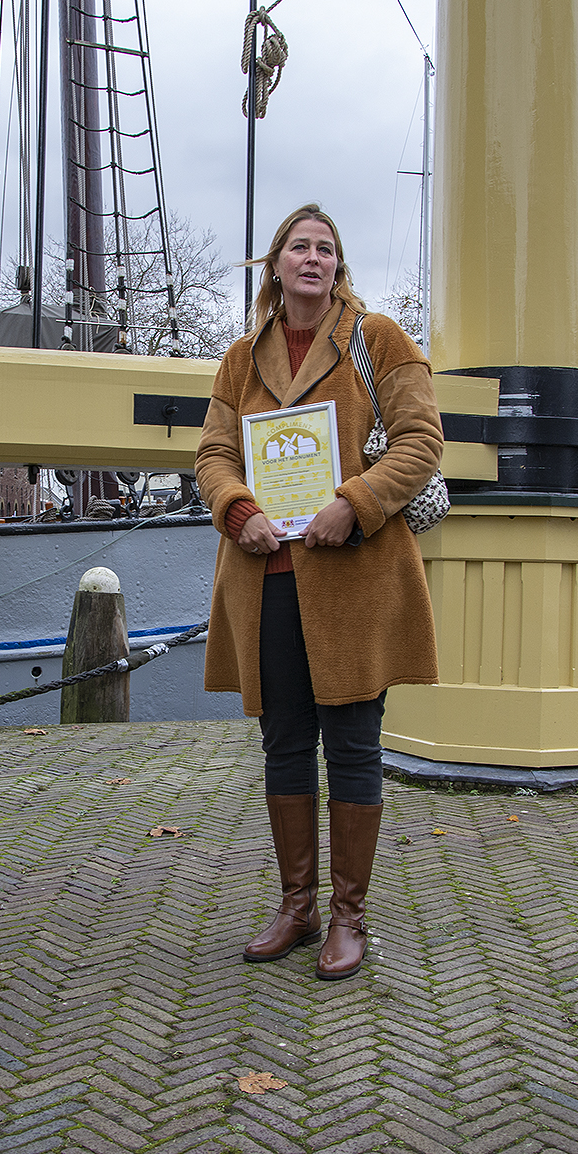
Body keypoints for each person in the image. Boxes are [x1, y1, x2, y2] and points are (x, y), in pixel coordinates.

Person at [193, 203, 442, 981]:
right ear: (275, 264)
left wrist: (354, 503)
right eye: (299, 247)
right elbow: (213, 453)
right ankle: (296, 905)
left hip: (353, 580)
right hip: (266, 577)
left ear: (339, 265)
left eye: (325, 248)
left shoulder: (379, 341)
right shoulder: (242, 357)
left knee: (356, 746)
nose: (312, 258)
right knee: (284, 744)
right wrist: (239, 509)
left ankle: (348, 916)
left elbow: (422, 442)